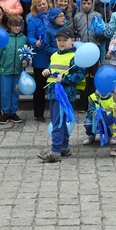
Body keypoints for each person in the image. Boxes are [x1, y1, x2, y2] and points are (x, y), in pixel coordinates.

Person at [37, 26, 86, 163]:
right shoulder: (54, 55)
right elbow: (52, 67)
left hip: (64, 95)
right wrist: (47, 71)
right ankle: (64, 147)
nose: (61, 42)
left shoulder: (75, 57)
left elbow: (80, 75)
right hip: (53, 92)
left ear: (72, 40)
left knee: (57, 122)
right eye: (59, 40)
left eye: (65, 40)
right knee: (59, 121)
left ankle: (55, 151)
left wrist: (65, 78)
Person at [0, 14, 27, 124]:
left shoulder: (24, 39)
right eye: (15, 25)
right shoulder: (4, 38)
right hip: (5, 71)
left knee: (15, 91)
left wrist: (26, 61)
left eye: (19, 25)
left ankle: (13, 112)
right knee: (5, 92)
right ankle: (5, 113)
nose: (17, 28)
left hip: (18, 71)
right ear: (9, 26)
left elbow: (26, 53)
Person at [26, 0, 53, 122]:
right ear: (35, 7)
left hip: (53, 54)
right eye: (39, 5)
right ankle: (39, 113)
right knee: (40, 87)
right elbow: (30, 36)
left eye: (44, 4)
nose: (42, 6)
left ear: (48, 4)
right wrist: (35, 42)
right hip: (40, 56)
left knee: (54, 86)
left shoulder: (53, 17)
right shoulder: (33, 20)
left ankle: (55, 111)